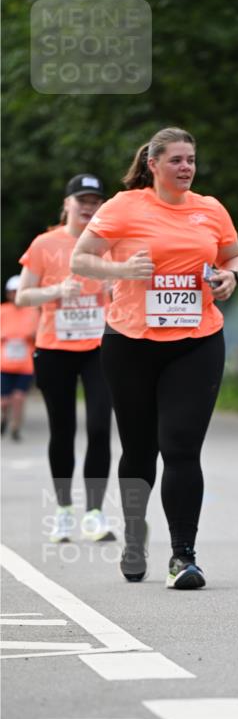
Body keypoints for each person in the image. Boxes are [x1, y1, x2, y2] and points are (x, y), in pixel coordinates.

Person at [71, 126, 238, 590]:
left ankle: (183, 556)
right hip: (131, 342)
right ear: (153, 164)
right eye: (177, 160)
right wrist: (121, 269)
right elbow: (81, 259)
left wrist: (229, 280)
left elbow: (235, 258)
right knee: (139, 449)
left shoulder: (210, 209)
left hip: (197, 339)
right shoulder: (124, 207)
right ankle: (134, 535)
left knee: (182, 447)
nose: (186, 167)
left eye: (191, 159)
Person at [16, 174, 115, 543]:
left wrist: (114, 284)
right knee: (63, 430)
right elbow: (23, 296)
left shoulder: (108, 244)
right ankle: (62, 512)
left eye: (95, 201)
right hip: (55, 348)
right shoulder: (45, 243)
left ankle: (94, 513)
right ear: (67, 204)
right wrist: (58, 290)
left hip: (100, 347)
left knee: (100, 429)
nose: (89, 207)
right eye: (82, 201)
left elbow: (129, 287)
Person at [1, 275, 39, 441]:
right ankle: (4, 419)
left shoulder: (33, 312)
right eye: (12, 292)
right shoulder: (2, 310)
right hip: (5, 364)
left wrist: (32, 336)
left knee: (19, 398)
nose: (15, 295)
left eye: (18, 292)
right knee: (4, 401)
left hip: (25, 364)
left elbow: (39, 334)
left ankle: (16, 428)